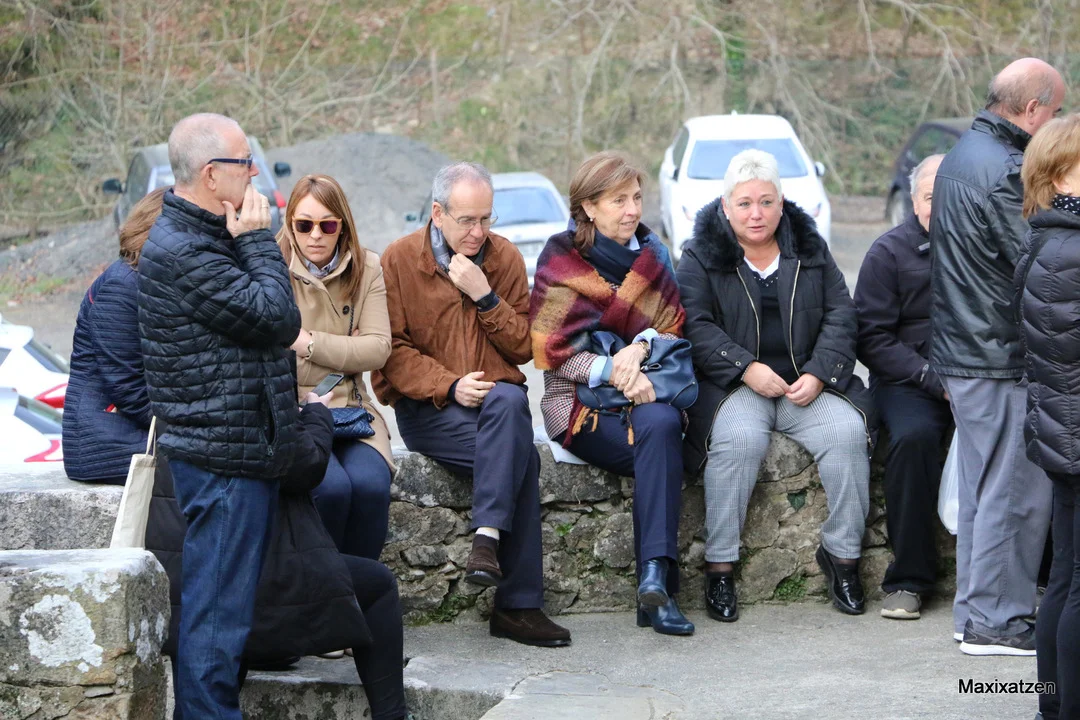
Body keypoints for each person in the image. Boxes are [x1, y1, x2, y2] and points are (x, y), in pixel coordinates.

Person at [137, 113, 303, 718]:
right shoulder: (187, 251)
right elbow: (278, 318)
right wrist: (258, 240)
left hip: (232, 449)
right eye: (244, 162)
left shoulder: (204, 236)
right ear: (211, 175)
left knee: (222, 615)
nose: (254, 173)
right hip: (222, 459)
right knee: (216, 622)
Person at [371, 161, 570, 648]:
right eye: (467, 220)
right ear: (438, 213)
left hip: (497, 407)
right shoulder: (400, 260)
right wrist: (449, 385)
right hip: (431, 410)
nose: (478, 232)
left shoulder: (504, 258)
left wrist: (486, 297)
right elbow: (391, 353)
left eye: (486, 219)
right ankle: (517, 607)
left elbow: (523, 348)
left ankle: (486, 542)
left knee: (508, 399)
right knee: (521, 459)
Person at [677, 149, 874, 621]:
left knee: (848, 433)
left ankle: (843, 557)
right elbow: (694, 325)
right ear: (726, 206)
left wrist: (820, 372)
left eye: (766, 202)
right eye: (745, 203)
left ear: (781, 203)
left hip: (804, 383)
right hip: (735, 386)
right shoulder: (700, 254)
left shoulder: (809, 247)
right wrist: (745, 367)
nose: (756, 214)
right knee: (739, 441)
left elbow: (841, 314)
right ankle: (720, 567)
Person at [147, 379, 408, 720]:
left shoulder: (178, 382)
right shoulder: (251, 380)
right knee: (377, 585)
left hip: (181, 582)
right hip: (248, 573)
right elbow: (304, 466)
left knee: (209, 662)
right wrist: (316, 415)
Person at [929, 58, 1064, 656]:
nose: (1056, 122)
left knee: (984, 490)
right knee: (1014, 493)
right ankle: (998, 621)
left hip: (967, 350)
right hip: (1000, 355)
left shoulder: (963, 153)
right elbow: (1034, 258)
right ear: (1032, 109)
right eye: (1056, 111)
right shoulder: (1008, 169)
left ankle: (975, 612)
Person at [530, 151, 693, 636]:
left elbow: (673, 327)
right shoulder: (560, 258)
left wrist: (640, 348)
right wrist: (614, 370)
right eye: (619, 200)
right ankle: (660, 590)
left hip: (647, 394)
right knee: (660, 446)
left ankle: (654, 578)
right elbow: (551, 350)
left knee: (661, 424)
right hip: (579, 405)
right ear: (588, 207)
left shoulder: (654, 255)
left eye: (637, 197)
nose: (632, 209)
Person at [854, 154, 953, 621]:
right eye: (932, 196)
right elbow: (871, 338)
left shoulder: (984, 247)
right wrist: (931, 378)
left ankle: (1040, 571)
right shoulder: (888, 253)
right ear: (914, 202)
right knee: (913, 439)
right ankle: (909, 580)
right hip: (908, 380)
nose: (941, 206)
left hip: (977, 377)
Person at [277, 174, 394, 562]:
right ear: (290, 224)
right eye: (304, 225)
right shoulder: (271, 267)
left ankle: (360, 590)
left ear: (342, 225)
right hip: (293, 413)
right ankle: (324, 589)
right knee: (330, 489)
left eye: (327, 225)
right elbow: (264, 348)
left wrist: (305, 342)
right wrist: (348, 348)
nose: (315, 235)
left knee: (371, 485)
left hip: (351, 409)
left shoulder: (366, 266)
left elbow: (377, 350)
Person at [1016, 114, 1080, 719]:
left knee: (1065, 577)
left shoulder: (1049, 238)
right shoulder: (1069, 247)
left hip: (1063, 432)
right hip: (1073, 433)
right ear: (1060, 176)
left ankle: (1051, 707)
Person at [63, 188, 165, 484]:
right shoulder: (121, 286)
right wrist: (188, 429)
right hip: (102, 439)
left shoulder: (149, 281)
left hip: (130, 428)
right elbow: (127, 388)